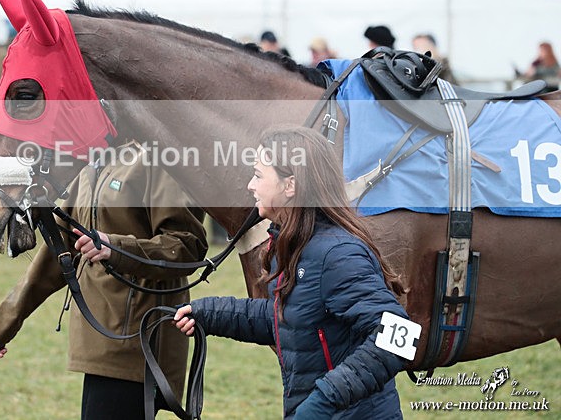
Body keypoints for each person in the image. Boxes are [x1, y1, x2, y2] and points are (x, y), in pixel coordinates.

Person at [174, 127, 408, 419]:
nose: (250, 185)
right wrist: (207, 312)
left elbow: (401, 334)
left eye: (259, 175)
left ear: (290, 186)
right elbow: (290, 320)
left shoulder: (336, 254)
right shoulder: (296, 245)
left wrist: (324, 400)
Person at [0, 142, 208, 419]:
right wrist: (2, 325)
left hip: (139, 343)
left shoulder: (161, 158)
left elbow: (187, 247)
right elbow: (57, 253)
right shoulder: (94, 158)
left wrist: (116, 248)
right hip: (97, 343)